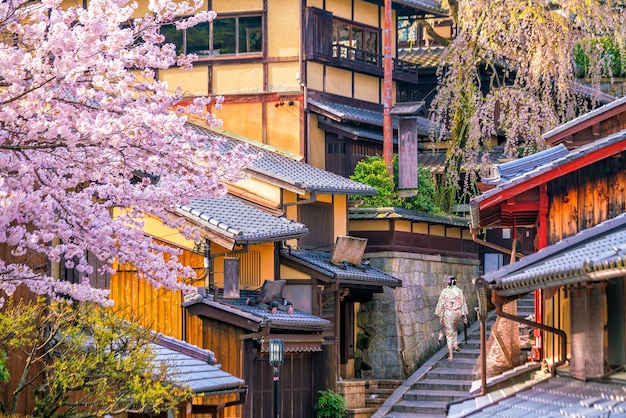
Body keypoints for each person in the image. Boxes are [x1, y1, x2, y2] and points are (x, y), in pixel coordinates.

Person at [435, 274, 469, 361]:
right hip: (457, 313)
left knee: (449, 333)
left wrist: (441, 316)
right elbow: (463, 303)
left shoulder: (444, 291)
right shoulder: (459, 291)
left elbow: (441, 304)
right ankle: (456, 344)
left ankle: (451, 355)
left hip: (449, 313)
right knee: (454, 328)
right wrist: (464, 316)